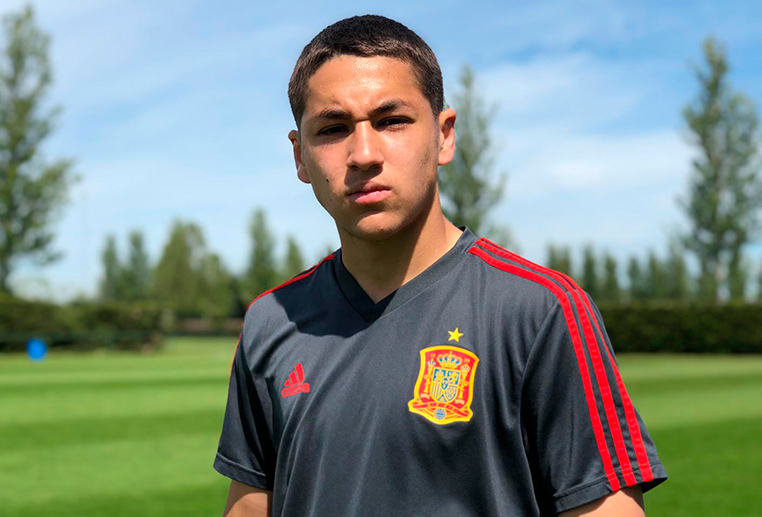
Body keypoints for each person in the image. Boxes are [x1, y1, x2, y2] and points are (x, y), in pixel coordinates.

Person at [214, 14, 667, 517]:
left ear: (444, 136)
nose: (363, 153)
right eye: (333, 128)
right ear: (301, 156)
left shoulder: (543, 310)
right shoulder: (271, 320)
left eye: (392, 121)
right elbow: (249, 508)